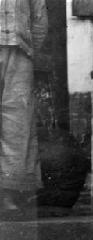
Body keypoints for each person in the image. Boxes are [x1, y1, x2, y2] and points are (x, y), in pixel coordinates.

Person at [0, 0, 48, 211]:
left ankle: (8, 192)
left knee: (17, 125)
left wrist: (28, 48)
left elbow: (39, 19)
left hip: (19, 51)